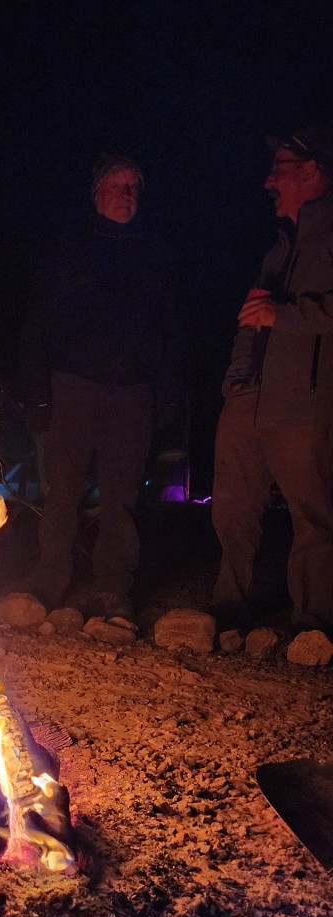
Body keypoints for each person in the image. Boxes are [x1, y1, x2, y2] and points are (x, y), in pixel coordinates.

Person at [17, 152, 183, 623]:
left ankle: (115, 588)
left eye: (134, 186)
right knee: (62, 489)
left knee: (121, 496)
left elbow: (172, 330)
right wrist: (38, 393)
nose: (127, 194)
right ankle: (49, 580)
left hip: (133, 391)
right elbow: (39, 324)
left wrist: (165, 393)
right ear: (98, 194)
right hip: (74, 386)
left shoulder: (155, 255)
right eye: (118, 185)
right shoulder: (71, 251)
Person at [212, 124, 333, 634]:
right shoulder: (280, 246)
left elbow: (279, 314)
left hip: (302, 399)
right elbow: (251, 316)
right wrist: (235, 378)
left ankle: (315, 622)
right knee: (234, 507)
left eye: (280, 168)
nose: (269, 180)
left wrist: (283, 316)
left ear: (312, 172)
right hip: (250, 394)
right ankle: (228, 609)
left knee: (314, 513)